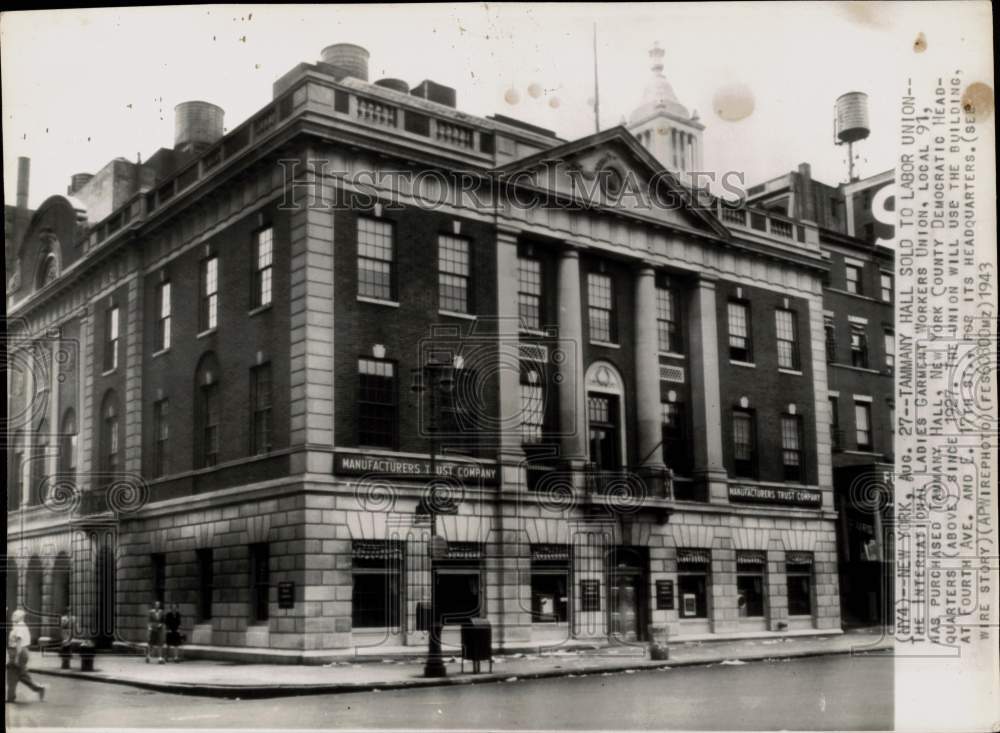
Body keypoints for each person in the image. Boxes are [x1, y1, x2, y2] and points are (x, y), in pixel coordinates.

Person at [6, 609, 45, 703]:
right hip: (18, 652)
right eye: (13, 615)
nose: (12, 616)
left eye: (15, 615)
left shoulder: (20, 626)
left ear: (20, 617)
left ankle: (11, 697)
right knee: (21, 675)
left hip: (18, 652)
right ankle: (38, 688)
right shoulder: (18, 626)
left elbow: (19, 642)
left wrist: (16, 658)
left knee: (12, 674)